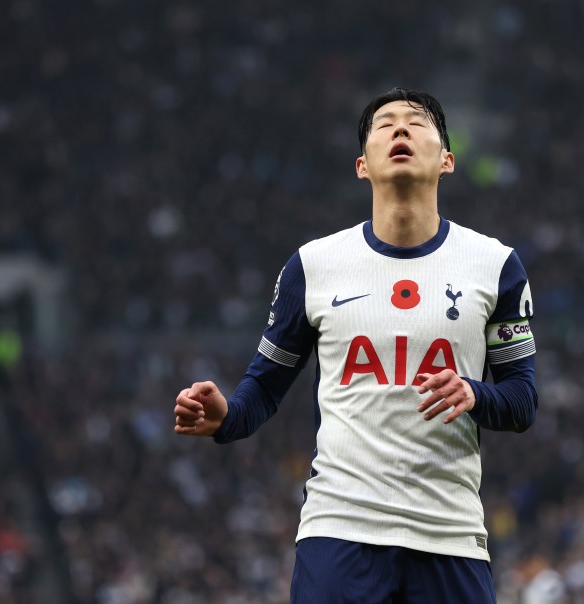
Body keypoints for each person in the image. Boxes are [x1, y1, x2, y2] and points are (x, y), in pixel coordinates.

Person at [174, 88, 538, 603]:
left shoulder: (496, 265)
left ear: (448, 161)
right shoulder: (314, 266)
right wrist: (227, 417)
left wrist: (476, 394)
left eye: (417, 121)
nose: (401, 129)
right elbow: (264, 390)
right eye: (384, 124)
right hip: (340, 530)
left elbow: (523, 402)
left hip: (449, 533)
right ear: (362, 165)